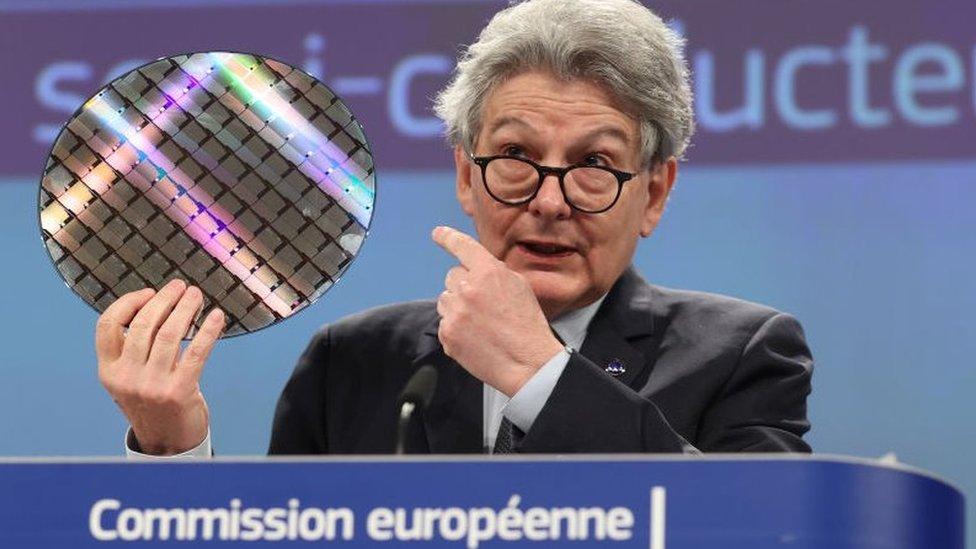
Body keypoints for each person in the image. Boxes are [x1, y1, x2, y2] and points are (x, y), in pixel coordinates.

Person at [96, 0, 812, 457]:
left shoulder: (745, 354)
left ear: (653, 191)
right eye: (516, 157)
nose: (550, 201)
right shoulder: (353, 364)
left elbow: (750, 527)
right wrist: (172, 449)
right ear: (467, 177)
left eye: (594, 162)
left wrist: (543, 375)